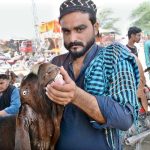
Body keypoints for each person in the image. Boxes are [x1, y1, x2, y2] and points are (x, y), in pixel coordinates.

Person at [46, 0, 140, 149]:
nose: (72, 39)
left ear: (95, 28)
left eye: (80, 29)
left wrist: (76, 95)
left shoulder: (115, 58)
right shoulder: (56, 62)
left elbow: (124, 118)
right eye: (66, 31)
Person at [126, 27, 148, 112]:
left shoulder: (135, 48)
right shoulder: (126, 50)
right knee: (140, 96)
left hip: (138, 77)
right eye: (138, 35)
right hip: (131, 80)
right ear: (132, 35)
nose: (140, 37)